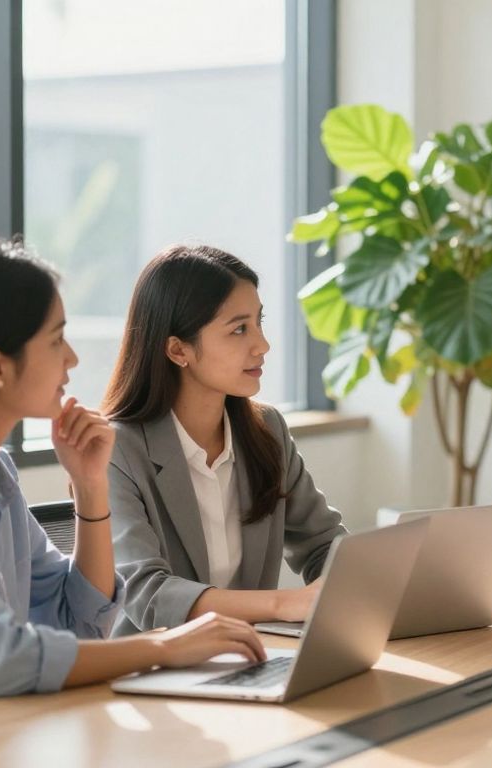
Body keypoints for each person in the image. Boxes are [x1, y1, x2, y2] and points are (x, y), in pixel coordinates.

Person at [0, 240, 265, 712]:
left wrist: (91, 488)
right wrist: (166, 647)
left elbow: (76, 620)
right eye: (56, 340)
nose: (72, 359)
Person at [104, 244, 346, 635]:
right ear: (177, 349)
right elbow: (149, 595)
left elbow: (322, 543)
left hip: (253, 658)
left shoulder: (267, 430)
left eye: (259, 322)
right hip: (153, 673)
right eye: (238, 329)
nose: (262, 345)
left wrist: (354, 588)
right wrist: (284, 604)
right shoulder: (117, 449)